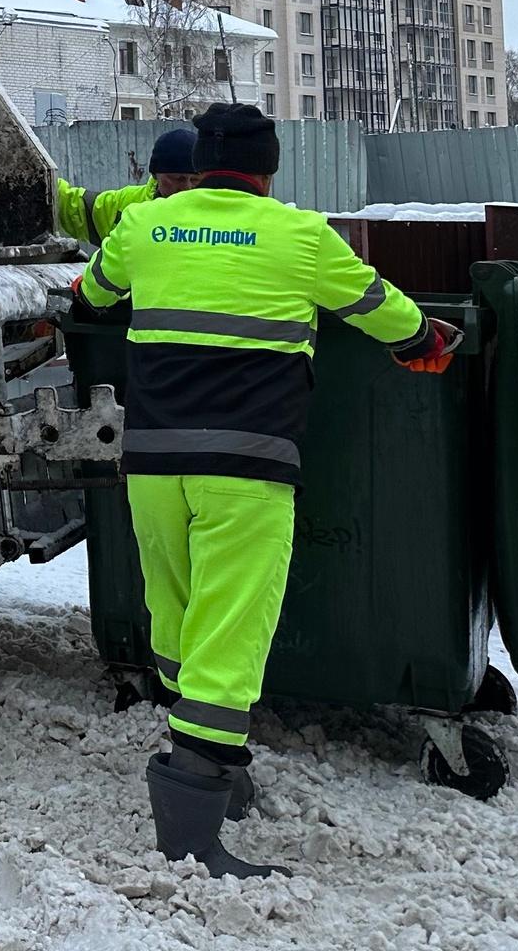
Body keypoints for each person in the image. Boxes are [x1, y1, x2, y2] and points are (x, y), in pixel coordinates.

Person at [76, 102, 461, 878]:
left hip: (151, 468)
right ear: (268, 167)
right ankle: (193, 829)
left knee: (178, 619)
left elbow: (90, 300)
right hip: (245, 474)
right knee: (231, 635)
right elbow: (385, 312)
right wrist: (426, 343)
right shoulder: (300, 235)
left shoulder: (146, 227)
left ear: (197, 162)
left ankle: (215, 769)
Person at [54, 126, 198, 247]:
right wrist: (41, 177)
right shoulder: (126, 206)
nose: (187, 187)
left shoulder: (215, 211)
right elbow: (74, 207)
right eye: (179, 179)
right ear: (155, 175)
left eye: (195, 179)